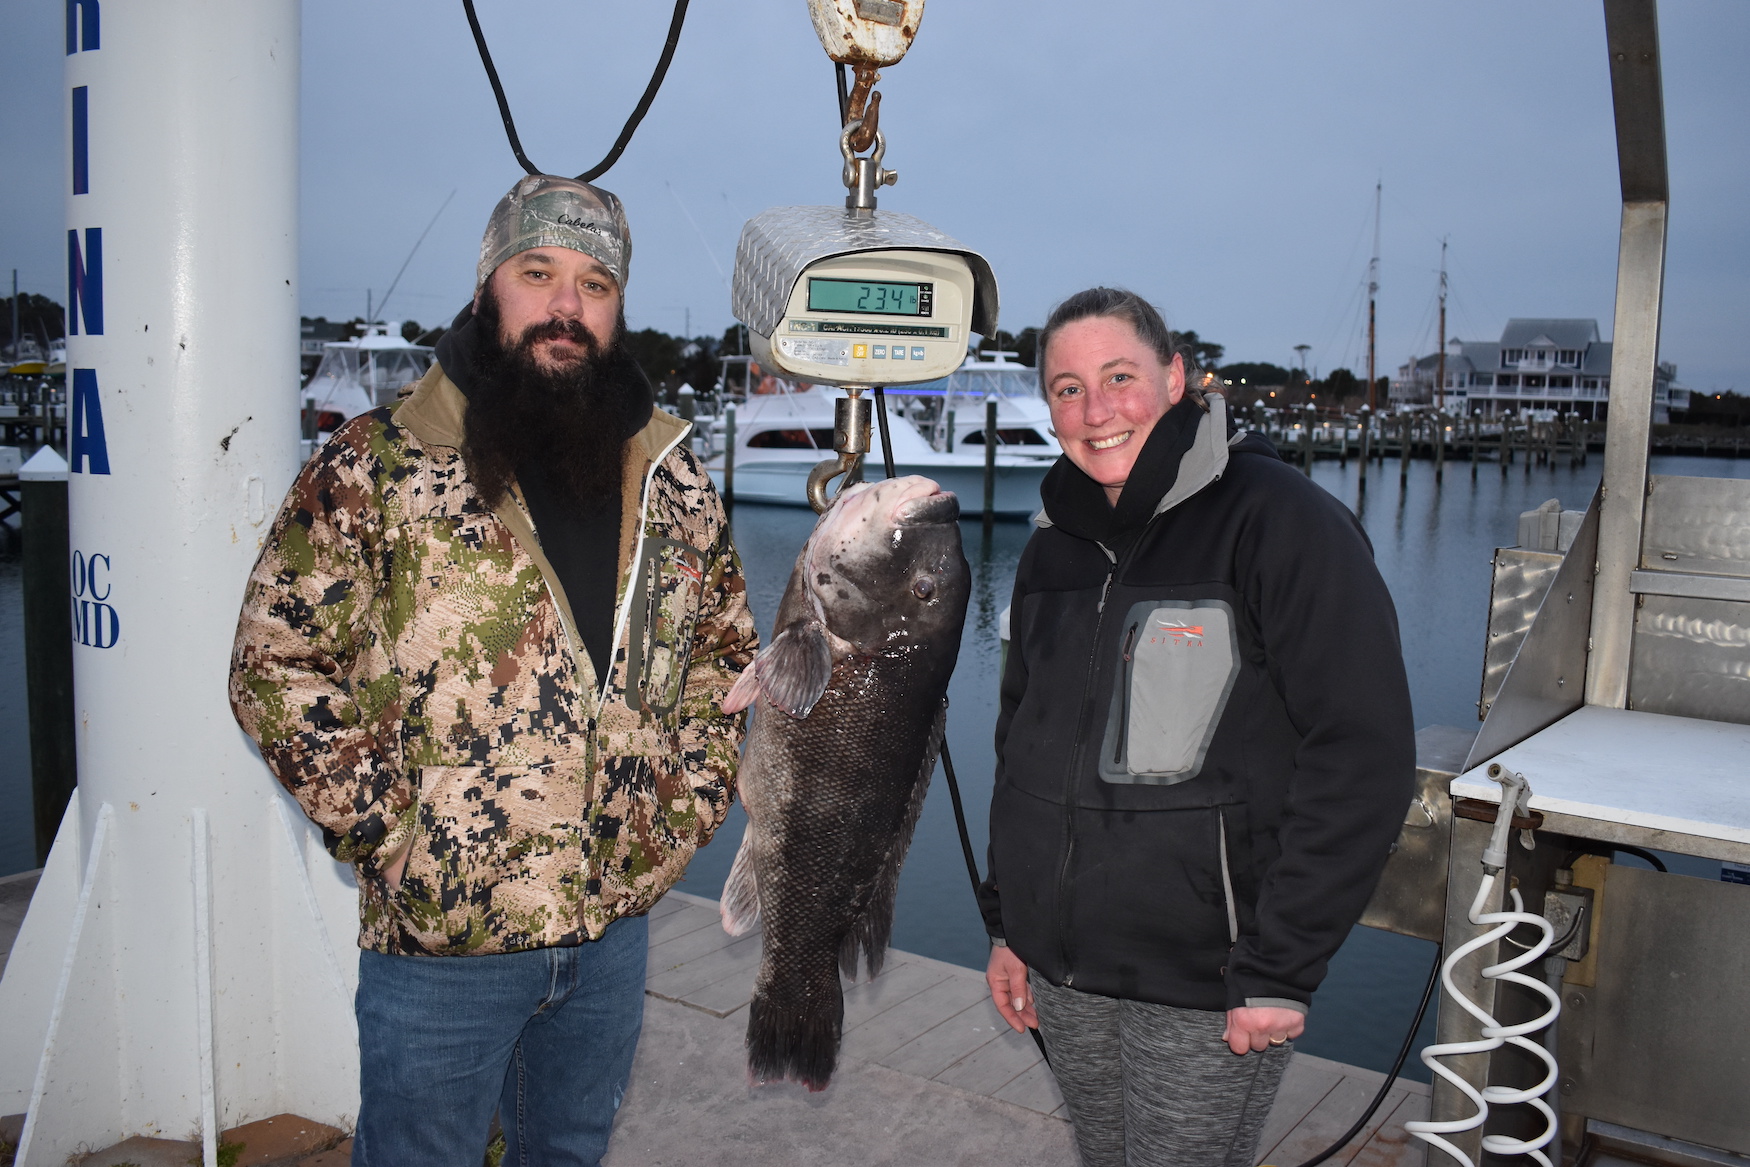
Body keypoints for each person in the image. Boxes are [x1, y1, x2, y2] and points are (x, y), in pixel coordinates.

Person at [230, 174, 758, 1167]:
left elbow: (723, 666)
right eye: (538, 272)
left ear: (618, 307)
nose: (566, 306)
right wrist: (394, 833)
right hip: (444, 948)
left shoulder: (672, 477)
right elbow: (275, 661)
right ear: (488, 289)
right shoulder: (377, 465)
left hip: (609, 935)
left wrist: (672, 823)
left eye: (595, 284)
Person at [979, 288, 1415, 1167]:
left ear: (1175, 378)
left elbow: (1361, 753)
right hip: (1063, 971)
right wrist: (1007, 921)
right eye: (1068, 387)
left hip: (1210, 983)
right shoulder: (1050, 545)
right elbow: (1020, 740)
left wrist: (1282, 967)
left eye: (1119, 376)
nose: (1096, 410)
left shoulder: (1281, 522)